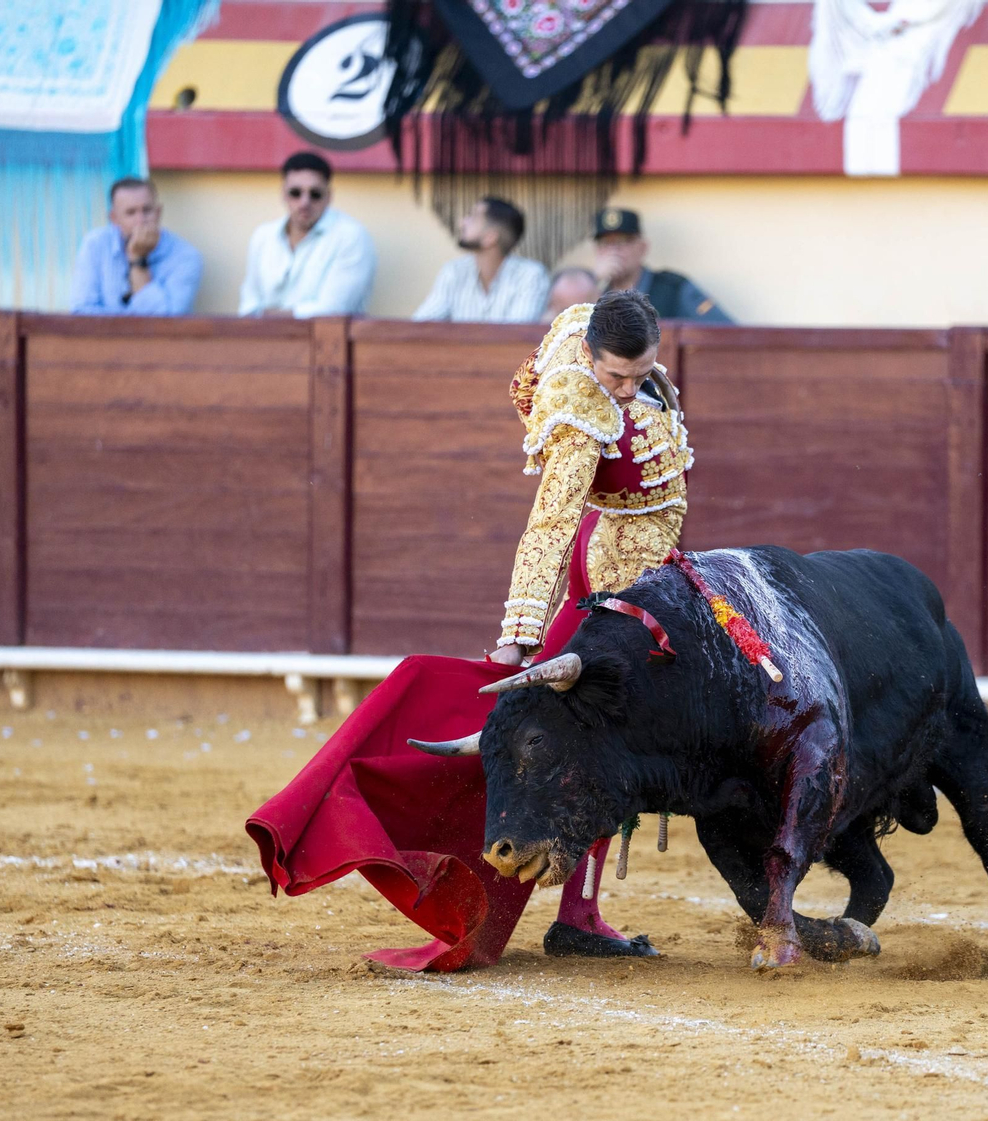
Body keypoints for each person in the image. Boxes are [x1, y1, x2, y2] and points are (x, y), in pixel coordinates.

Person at [248, 289, 693, 970]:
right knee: (605, 726)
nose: (629, 391)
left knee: (605, 726)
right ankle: (577, 913)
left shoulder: (593, 325)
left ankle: (580, 912)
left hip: (636, 553)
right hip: (619, 568)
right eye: (616, 377)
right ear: (590, 358)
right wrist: (519, 635)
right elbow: (548, 530)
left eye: (641, 375)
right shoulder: (581, 421)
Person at [239, 151, 376, 318]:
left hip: (327, 342)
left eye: (315, 194)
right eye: (296, 193)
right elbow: (248, 305)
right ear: (283, 194)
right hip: (265, 340)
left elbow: (333, 311)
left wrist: (271, 316)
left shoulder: (351, 237)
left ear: (329, 196)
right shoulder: (263, 236)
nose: (305, 203)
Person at [69, 177, 202, 316]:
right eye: (131, 213)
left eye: (147, 210)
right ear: (114, 218)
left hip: (157, 339)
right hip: (103, 338)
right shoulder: (95, 245)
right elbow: (81, 311)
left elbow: (167, 322)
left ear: (158, 213)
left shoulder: (185, 256)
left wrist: (138, 259)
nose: (141, 220)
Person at [413, 197, 549, 322]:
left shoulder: (531, 275)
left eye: (472, 217)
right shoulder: (454, 271)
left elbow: (518, 335)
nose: (462, 223)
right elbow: (422, 324)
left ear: (490, 237)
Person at [592, 207, 733, 323]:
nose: (614, 250)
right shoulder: (592, 293)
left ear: (642, 247)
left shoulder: (673, 288)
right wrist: (592, 282)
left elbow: (724, 331)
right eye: (606, 243)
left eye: (623, 241)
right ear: (597, 250)